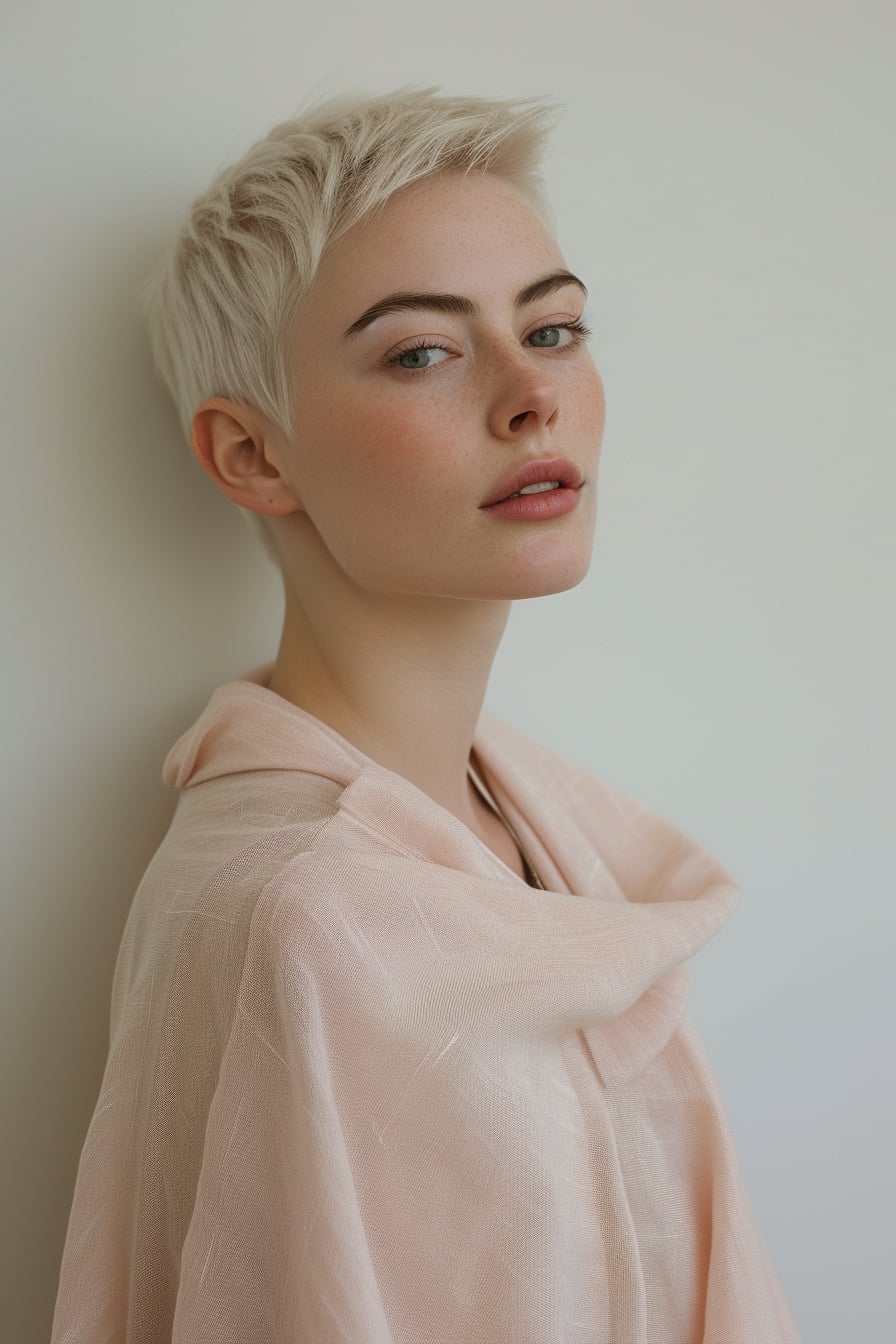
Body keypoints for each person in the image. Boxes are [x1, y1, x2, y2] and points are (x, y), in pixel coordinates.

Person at [50, 88, 802, 1342]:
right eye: (421, 352)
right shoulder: (305, 913)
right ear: (252, 455)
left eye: (553, 328)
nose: (531, 398)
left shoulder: (536, 829)